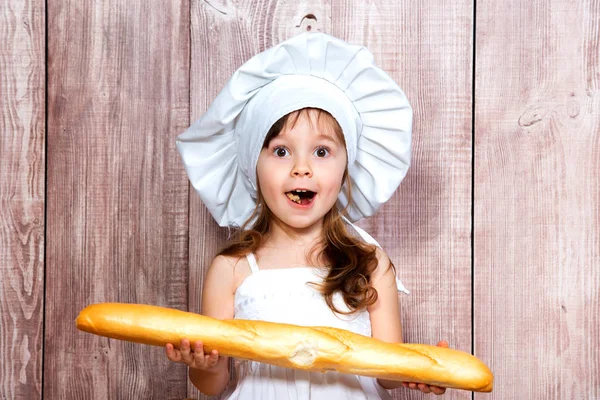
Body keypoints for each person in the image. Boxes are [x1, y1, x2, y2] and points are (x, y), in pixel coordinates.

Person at [167, 32, 448, 399]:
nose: (302, 168)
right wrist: (204, 364)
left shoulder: (369, 262)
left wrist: (420, 368)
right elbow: (213, 385)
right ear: (253, 165)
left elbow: (387, 373)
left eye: (322, 152)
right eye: (281, 152)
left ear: (346, 168)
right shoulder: (232, 268)